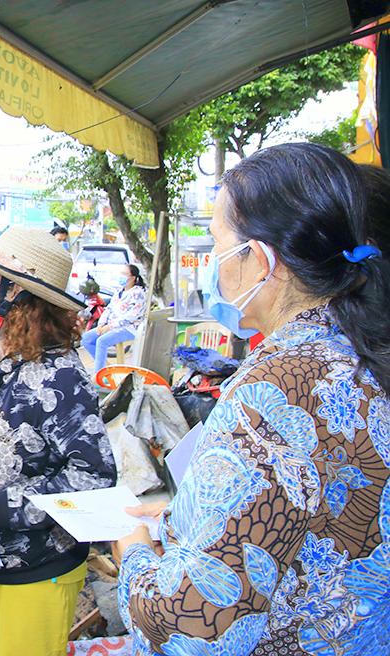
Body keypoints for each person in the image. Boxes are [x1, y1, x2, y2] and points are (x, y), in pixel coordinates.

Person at [114, 143, 390, 655]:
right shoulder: (358, 348)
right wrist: (189, 520)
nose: (214, 262)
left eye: (218, 243)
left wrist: (134, 555)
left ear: (259, 260)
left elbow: (194, 627)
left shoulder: (276, 390)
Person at [0, 227, 117, 656]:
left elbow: (95, 478)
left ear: (16, 293)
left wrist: (2, 508)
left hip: (40, 568)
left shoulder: (62, 376)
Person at [80, 263, 146, 371]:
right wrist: (101, 324)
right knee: (86, 339)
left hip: (128, 328)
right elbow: (109, 309)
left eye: (124, 274)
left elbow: (131, 316)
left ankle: (99, 374)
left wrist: (110, 326)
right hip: (111, 326)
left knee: (102, 341)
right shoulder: (119, 292)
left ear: (133, 278)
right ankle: (104, 367)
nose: (121, 276)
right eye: (121, 273)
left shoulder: (138, 293)